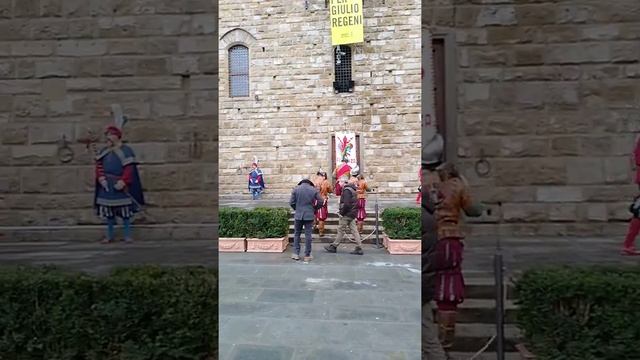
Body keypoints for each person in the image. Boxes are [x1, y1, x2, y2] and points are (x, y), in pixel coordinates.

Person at [432, 162, 483, 354]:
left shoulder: (430, 184)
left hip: (429, 240)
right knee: (448, 292)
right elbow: (473, 210)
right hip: (449, 239)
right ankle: (444, 347)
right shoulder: (458, 185)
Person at [94, 125, 145, 244]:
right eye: (107, 136)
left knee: (125, 213)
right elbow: (99, 166)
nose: (108, 139)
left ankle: (127, 235)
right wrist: (101, 178)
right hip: (107, 186)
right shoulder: (103, 151)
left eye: (110, 136)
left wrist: (123, 181)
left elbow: (129, 168)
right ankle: (109, 236)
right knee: (108, 214)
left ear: (116, 137)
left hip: (120, 185)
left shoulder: (126, 151)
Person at [421, 133, 446, 359]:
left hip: (422, 289)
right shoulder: (429, 214)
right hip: (426, 287)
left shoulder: (425, 217)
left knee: (428, 342)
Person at [324, 176, 363, 255]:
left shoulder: (346, 190)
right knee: (354, 230)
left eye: (340, 182)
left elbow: (346, 204)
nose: (339, 184)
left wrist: (342, 213)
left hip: (346, 214)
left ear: (344, 182)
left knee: (341, 230)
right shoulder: (352, 189)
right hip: (352, 213)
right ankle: (359, 247)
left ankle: (334, 246)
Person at [290, 176, 325, 262]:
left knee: (297, 234)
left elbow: (291, 202)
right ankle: (307, 255)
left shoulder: (296, 189)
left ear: (301, 181)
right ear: (309, 182)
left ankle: (295, 253)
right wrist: (315, 209)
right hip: (309, 215)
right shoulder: (313, 190)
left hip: (298, 214)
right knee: (308, 235)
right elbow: (321, 201)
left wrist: (297, 208)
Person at [314, 171, 333, 237]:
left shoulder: (314, 181)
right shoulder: (326, 181)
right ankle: (321, 232)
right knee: (321, 217)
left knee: (315, 213)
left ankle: (315, 225)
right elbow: (330, 190)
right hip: (322, 200)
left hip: (315, 199)